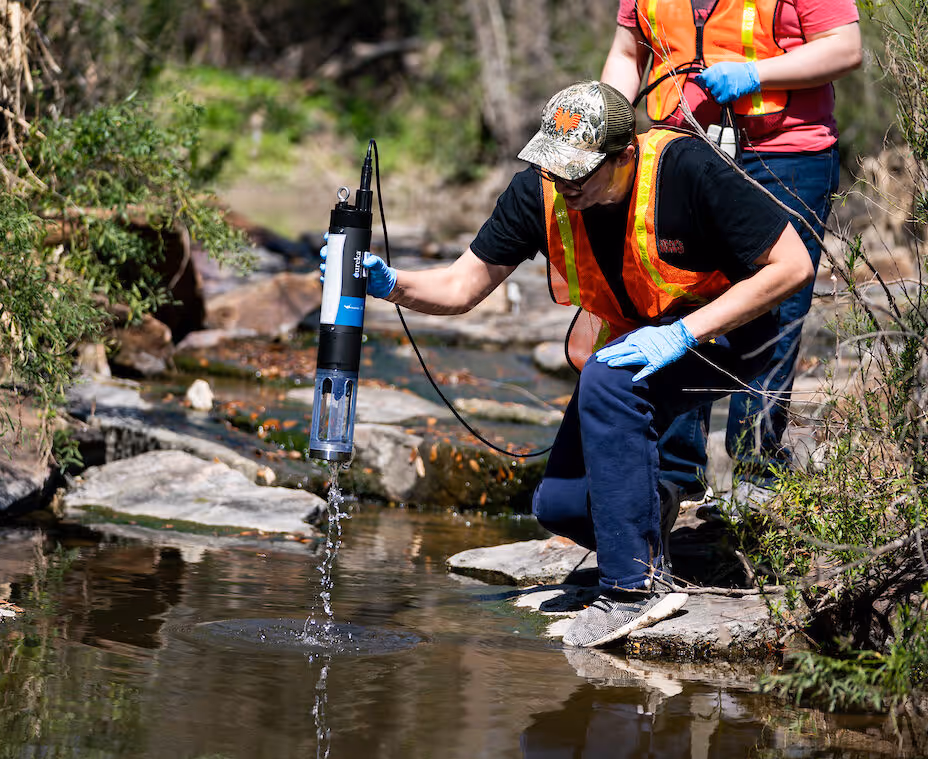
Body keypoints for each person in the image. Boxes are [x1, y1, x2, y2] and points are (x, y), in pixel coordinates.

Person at [329, 81, 812, 646]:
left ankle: (634, 590)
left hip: (732, 337)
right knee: (557, 505)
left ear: (625, 154)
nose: (564, 184)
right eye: (555, 168)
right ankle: (651, 517)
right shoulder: (538, 193)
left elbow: (793, 266)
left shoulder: (688, 170)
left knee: (608, 376)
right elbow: (461, 286)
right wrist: (389, 283)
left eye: (579, 173)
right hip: (643, 343)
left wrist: (682, 333)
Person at [601, 0, 862, 505]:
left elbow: (845, 48)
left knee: (776, 305)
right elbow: (626, 55)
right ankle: (676, 478)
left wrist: (756, 73)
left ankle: (755, 472)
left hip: (784, 156)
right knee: (677, 296)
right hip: (678, 150)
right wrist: (607, 124)